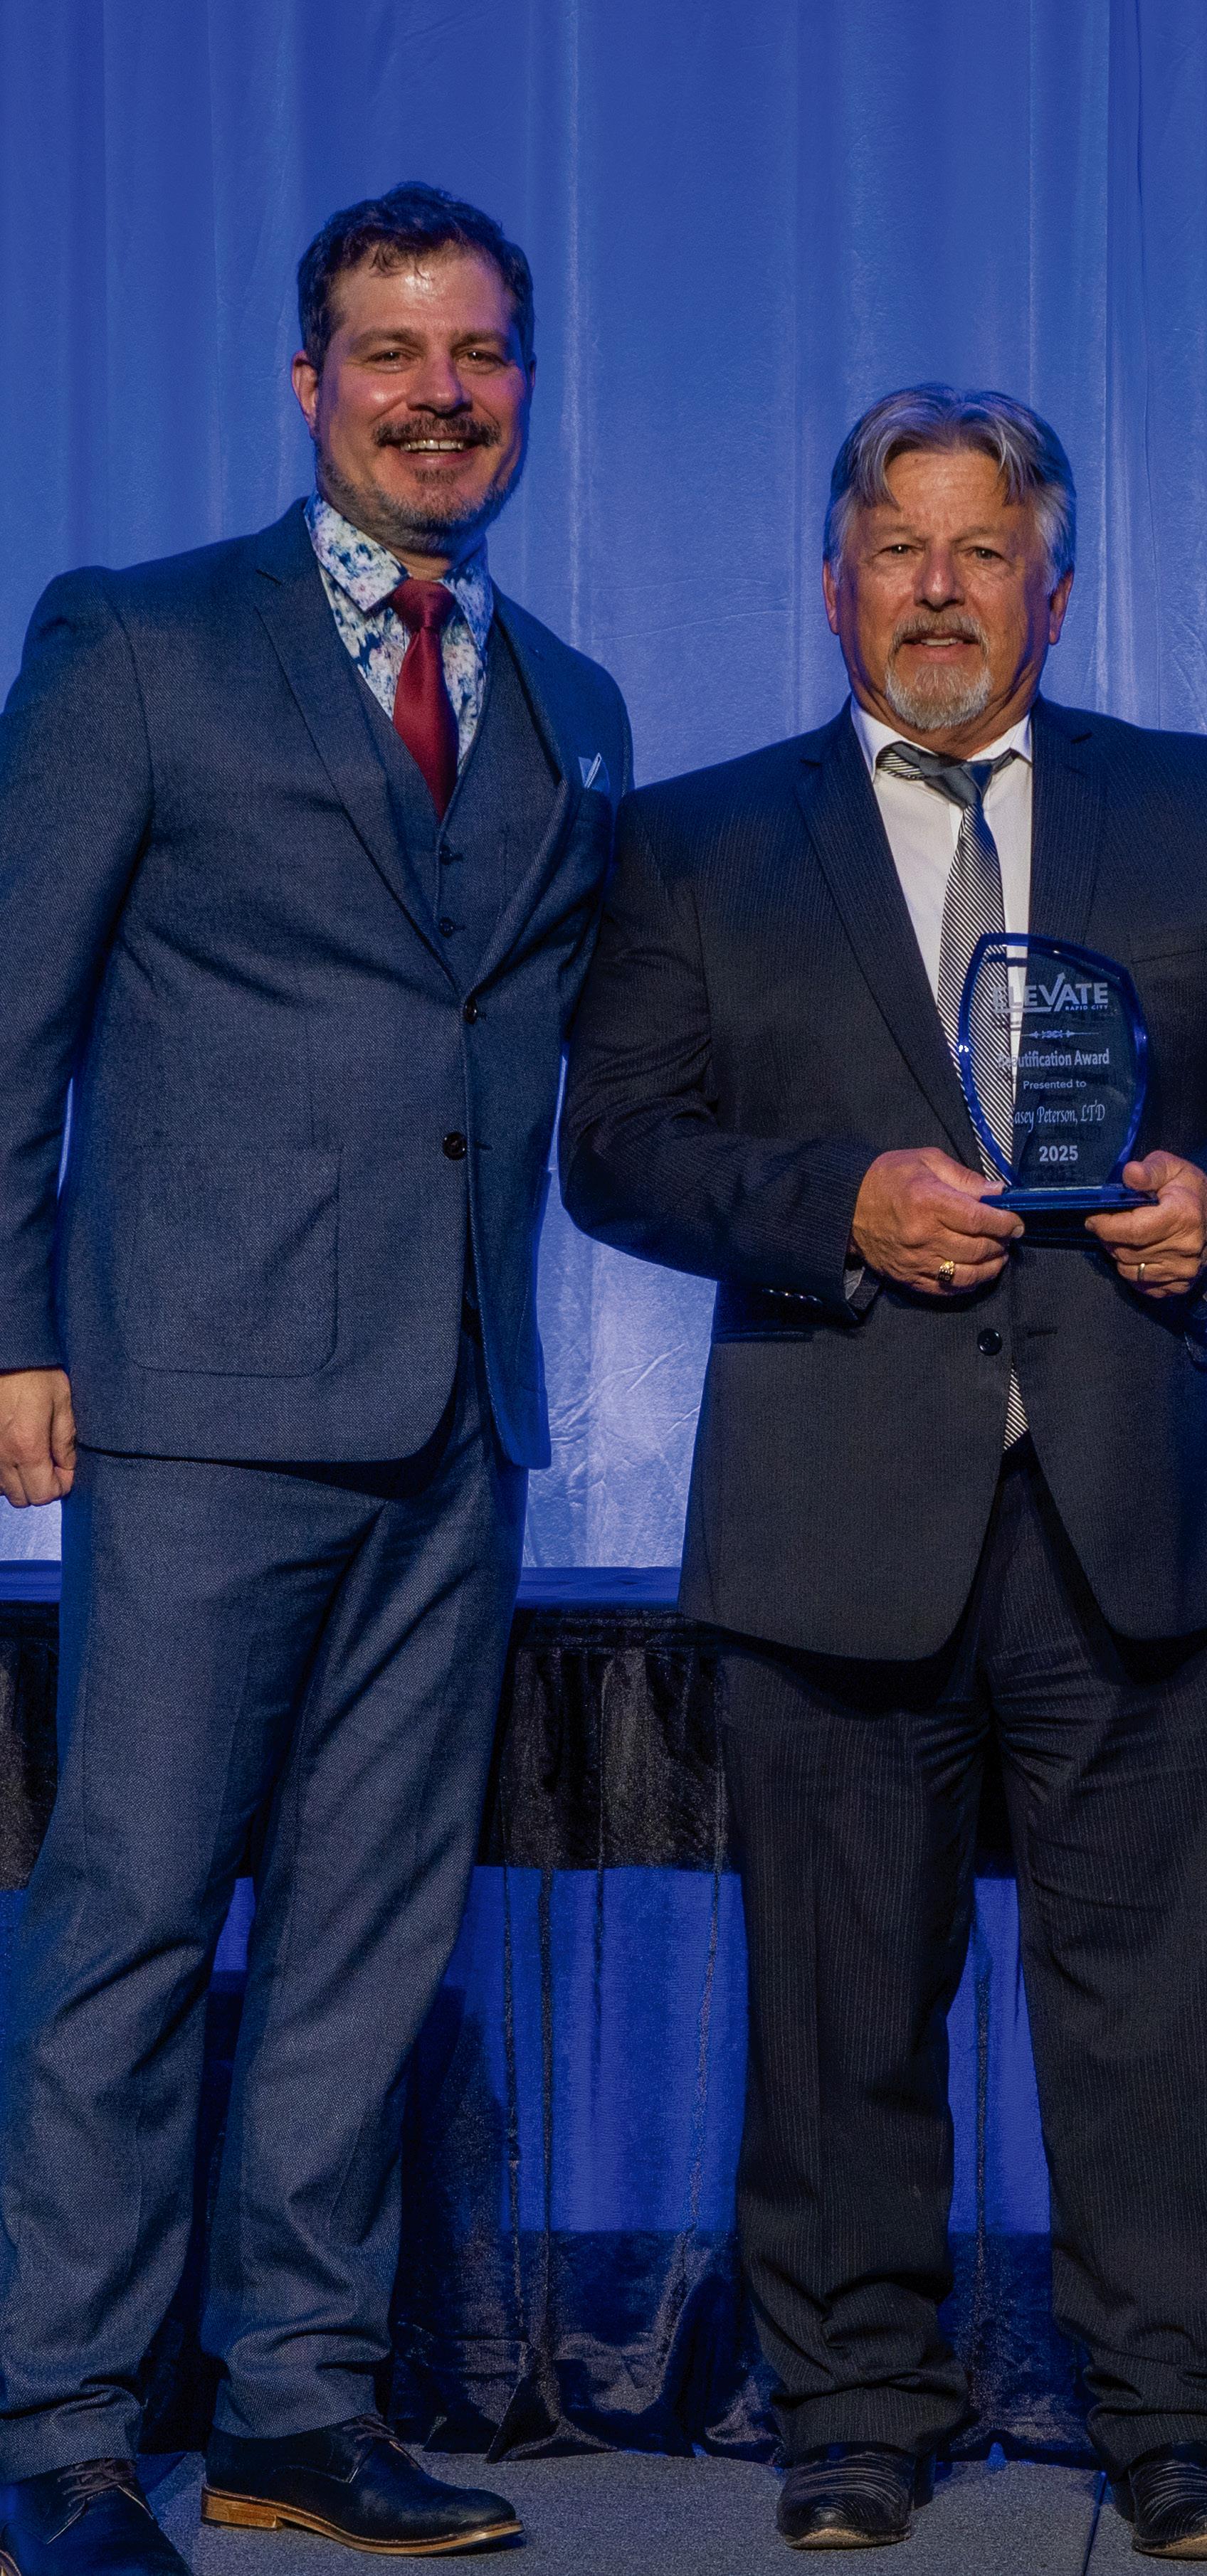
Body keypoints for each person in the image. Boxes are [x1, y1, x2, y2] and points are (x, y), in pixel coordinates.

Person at [560, 383, 1207, 2559]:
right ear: (835, 585)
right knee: (841, 2008)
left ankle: (1178, 2423)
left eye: (983, 552)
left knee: (1159, 2015)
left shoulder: (1206, 804)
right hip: (833, 1507)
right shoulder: (700, 841)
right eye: (900, 553)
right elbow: (614, 1149)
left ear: (1056, 588)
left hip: (1140, 1506)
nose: (939, 592)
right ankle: (852, 2411)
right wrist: (834, 1202)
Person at [0, 183, 630, 2572]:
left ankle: (294, 2407)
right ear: (307, 382)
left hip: (458, 1419)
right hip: (193, 1400)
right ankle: (59, 2428)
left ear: (522, 389)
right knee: (133, 1927)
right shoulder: (140, 639)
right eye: (390, 352)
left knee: (371, 1946)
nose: (436, 396)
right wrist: (11, 1328)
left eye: (478, 356)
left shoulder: (571, 698)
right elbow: (12, 1015)